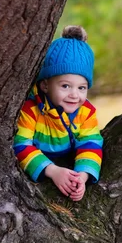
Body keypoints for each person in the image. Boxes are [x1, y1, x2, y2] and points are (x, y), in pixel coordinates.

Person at [13, 26, 103, 201]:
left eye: (81, 87)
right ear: (45, 85)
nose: (74, 95)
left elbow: (90, 143)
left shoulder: (85, 113)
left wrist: (82, 176)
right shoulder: (31, 110)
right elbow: (21, 145)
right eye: (65, 86)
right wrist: (52, 171)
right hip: (43, 163)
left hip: (68, 161)